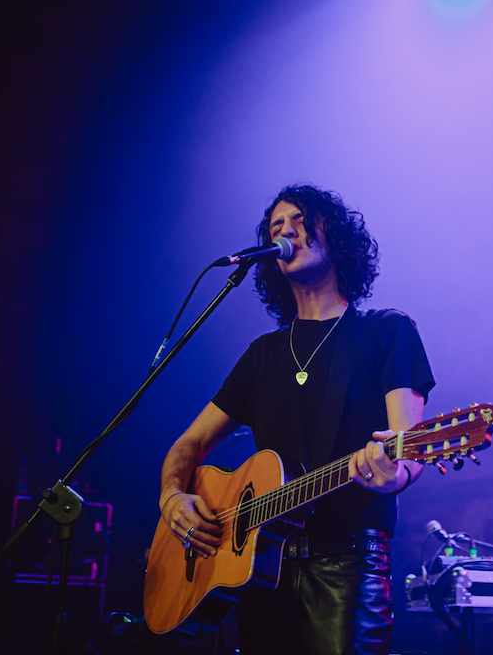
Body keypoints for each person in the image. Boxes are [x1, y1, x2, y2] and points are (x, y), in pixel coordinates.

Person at [158, 184, 435, 654]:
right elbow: (188, 446)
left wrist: (394, 472)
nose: (285, 230)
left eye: (301, 220)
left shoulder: (386, 332)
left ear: (337, 237)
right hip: (259, 573)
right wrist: (172, 498)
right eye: (276, 226)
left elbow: (408, 449)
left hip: (346, 570)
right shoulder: (262, 355)